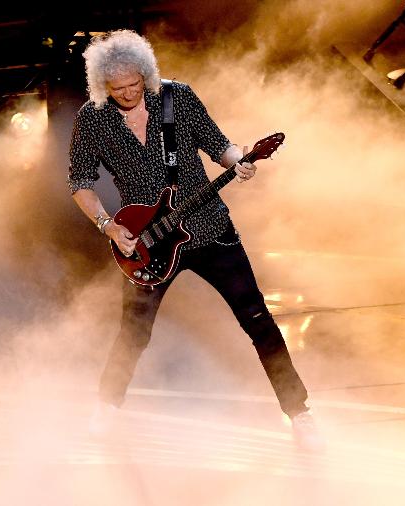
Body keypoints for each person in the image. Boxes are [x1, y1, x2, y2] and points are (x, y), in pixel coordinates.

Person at [67, 29, 323, 451]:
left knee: (257, 319)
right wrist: (108, 225)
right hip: (146, 243)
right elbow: (80, 182)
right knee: (133, 332)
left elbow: (218, 145)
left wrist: (240, 162)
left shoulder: (177, 98)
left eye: (135, 84)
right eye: (119, 88)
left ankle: (300, 413)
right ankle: (107, 408)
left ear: (146, 74)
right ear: (102, 86)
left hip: (208, 229)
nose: (129, 93)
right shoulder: (92, 118)